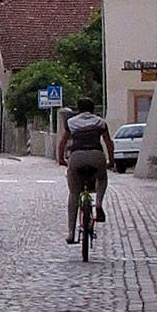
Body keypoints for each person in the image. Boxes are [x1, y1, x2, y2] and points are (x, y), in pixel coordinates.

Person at [56, 95, 113, 245]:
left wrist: (61, 159)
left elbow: (62, 142)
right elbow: (108, 143)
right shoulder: (100, 122)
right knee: (102, 179)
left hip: (76, 156)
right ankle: (99, 203)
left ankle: (70, 233)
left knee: (74, 193)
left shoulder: (71, 122)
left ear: (78, 109)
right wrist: (111, 161)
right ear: (93, 109)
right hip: (96, 154)